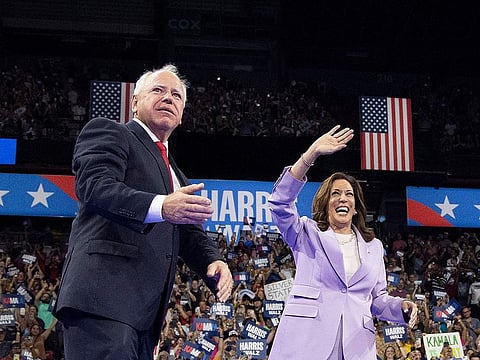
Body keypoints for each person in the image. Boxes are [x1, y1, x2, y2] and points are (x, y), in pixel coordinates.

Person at [53, 64, 233, 360]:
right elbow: (95, 186)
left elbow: (187, 232)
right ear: (135, 101)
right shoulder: (110, 132)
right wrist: (162, 206)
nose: (168, 98)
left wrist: (212, 260)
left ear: (183, 112)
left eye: (176, 95)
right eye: (158, 90)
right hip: (103, 300)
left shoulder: (175, 173)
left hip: (145, 316)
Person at [267, 125, 418, 359]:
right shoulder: (306, 233)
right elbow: (279, 203)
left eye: (348, 194)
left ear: (355, 207)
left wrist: (401, 307)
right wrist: (311, 154)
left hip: (355, 344)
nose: (342, 198)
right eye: (335, 193)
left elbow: (377, 299)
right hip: (307, 340)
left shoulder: (374, 247)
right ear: (325, 203)